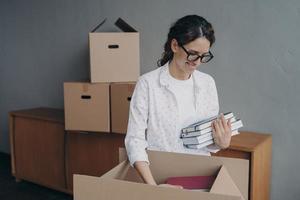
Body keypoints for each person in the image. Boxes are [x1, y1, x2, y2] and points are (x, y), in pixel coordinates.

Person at [125, 15, 232, 188]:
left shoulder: (207, 84)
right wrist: (153, 189)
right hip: (158, 177)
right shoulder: (148, 84)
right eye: (193, 54)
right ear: (175, 45)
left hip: (198, 177)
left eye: (204, 56)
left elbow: (207, 141)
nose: (197, 62)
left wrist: (220, 143)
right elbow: (135, 141)